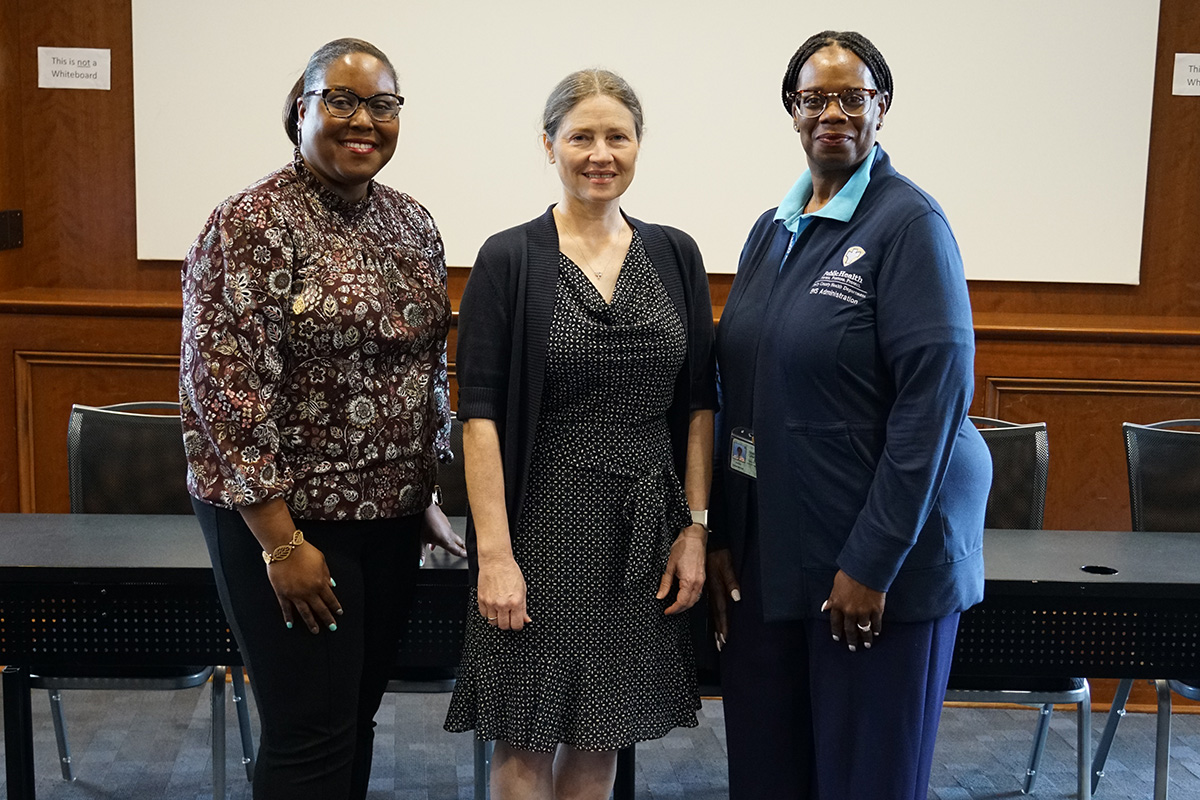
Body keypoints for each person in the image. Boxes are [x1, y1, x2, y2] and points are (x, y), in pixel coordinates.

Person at [706, 31, 992, 800]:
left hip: (876, 573)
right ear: (792, 112)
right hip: (772, 565)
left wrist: (872, 564)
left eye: (852, 96)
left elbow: (932, 407)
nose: (832, 111)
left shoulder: (909, 226)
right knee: (769, 778)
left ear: (881, 108)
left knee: (865, 783)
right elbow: (744, 388)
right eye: (814, 98)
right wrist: (727, 532)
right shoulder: (774, 228)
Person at [179, 37, 466, 800]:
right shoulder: (248, 223)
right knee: (311, 729)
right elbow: (224, 392)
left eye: (382, 104)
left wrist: (427, 490)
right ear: (300, 110)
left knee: (355, 716)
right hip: (288, 519)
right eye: (340, 100)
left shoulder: (414, 224)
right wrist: (280, 542)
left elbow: (426, 368)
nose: (362, 119)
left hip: (392, 514)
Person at [444, 69, 717, 800]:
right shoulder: (509, 258)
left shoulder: (675, 254)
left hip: (644, 532)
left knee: (603, 733)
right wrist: (493, 556)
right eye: (581, 136)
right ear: (549, 145)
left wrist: (694, 527)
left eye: (617, 136)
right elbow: (480, 419)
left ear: (638, 146)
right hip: (539, 526)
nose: (601, 153)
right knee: (526, 734)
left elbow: (698, 406)